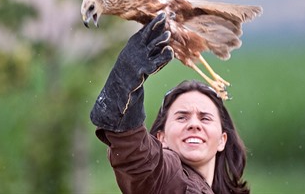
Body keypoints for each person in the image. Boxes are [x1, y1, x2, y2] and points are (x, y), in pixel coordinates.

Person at [91, 13, 250, 194]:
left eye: (205, 118)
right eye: (181, 117)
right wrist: (124, 83)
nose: (194, 125)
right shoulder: (165, 180)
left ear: (222, 140)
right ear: (161, 138)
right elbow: (136, 156)